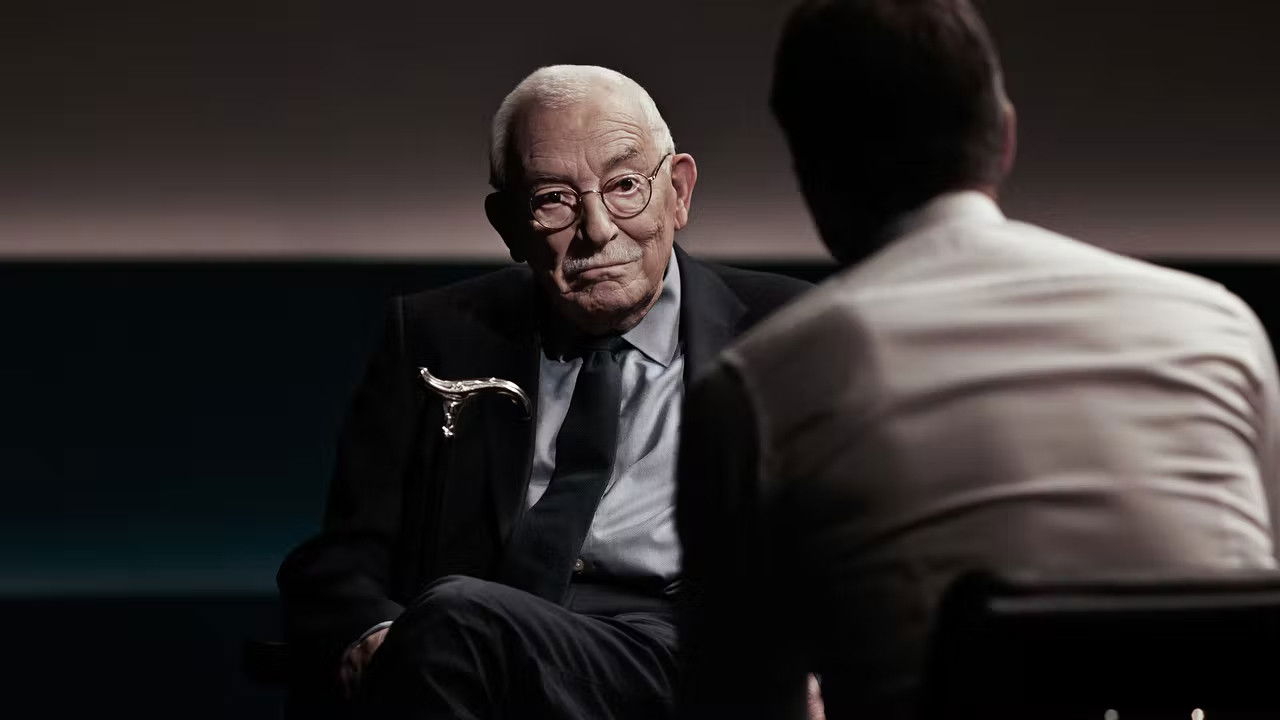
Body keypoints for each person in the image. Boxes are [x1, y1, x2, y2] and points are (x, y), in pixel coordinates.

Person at [675, 1, 1280, 718]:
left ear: (810, 171)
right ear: (1005, 137)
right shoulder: (1220, 327)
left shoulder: (757, 390)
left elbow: (737, 702)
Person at [277, 64, 809, 719]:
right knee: (448, 629)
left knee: (453, 620)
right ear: (508, 225)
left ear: (677, 192)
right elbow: (343, 558)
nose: (597, 229)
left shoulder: (790, 329)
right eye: (554, 199)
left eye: (624, 186)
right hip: (484, 663)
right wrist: (374, 635)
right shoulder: (435, 335)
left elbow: (858, 538)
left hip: (689, 661)